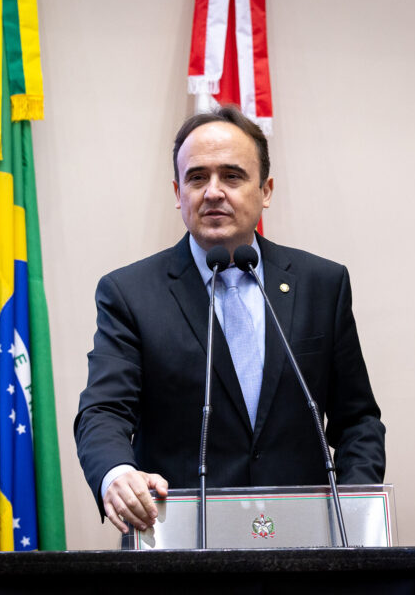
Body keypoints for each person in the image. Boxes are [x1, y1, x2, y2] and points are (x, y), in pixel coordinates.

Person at [74, 105, 385, 535]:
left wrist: (355, 504)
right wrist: (116, 474)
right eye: (197, 178)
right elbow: (104, 410)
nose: (213, 192)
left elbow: (357, 422)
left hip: (306, 542)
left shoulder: (322, 284)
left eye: (232, 176)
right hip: (183, 543)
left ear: (266, 190)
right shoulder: (129, 293)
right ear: (178, 193)